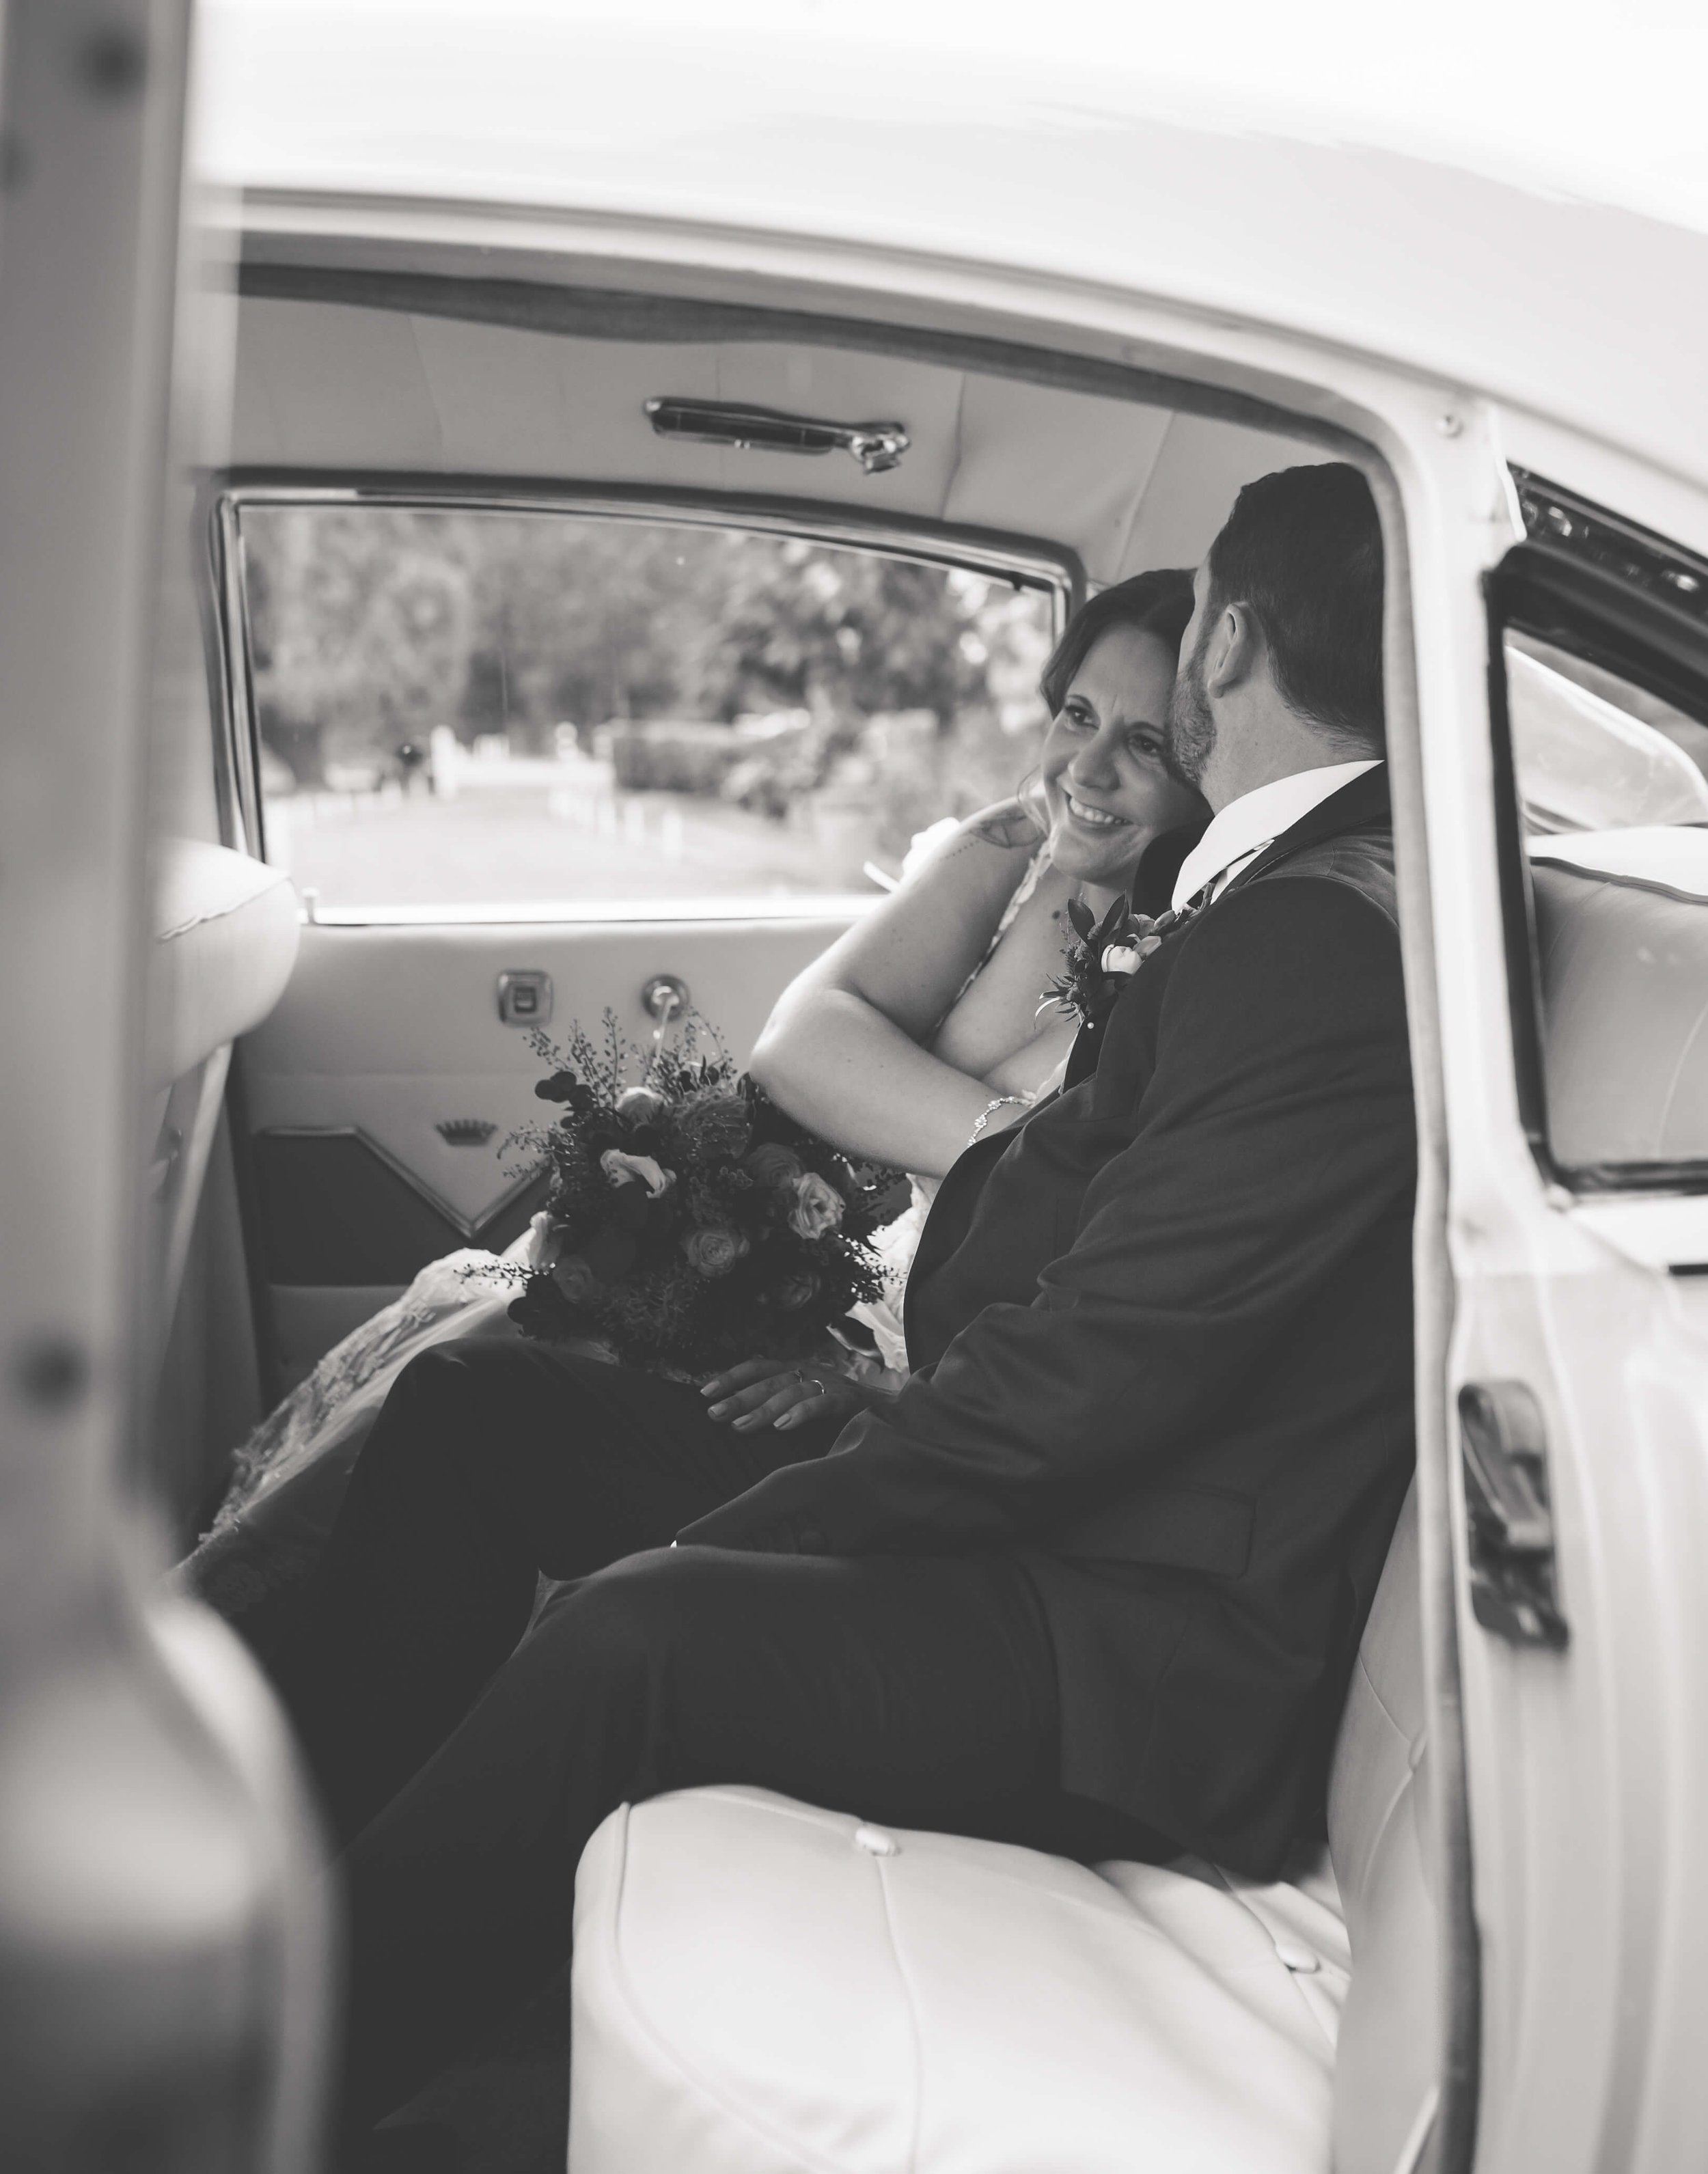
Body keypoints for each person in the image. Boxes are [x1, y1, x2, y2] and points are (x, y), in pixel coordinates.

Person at [277, 462, 1416, 2162]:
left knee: (629, 1637)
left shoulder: (1319, 936)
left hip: (1120, 1638)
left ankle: (249, 2085)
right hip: (1027, 1497)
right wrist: (868, 1407)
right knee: (479, 1414)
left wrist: (760, 1528)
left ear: (1228, 642)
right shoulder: (1265, 899)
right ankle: (286, 1875)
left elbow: (1100, 1373)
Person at [184, 570, 1204, 1617]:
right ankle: (233, 1601)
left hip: (915, 1352)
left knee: (506, 1373)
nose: (1086, 766)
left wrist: (902, 1135)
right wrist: (1006, 1146)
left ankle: (235, 1623)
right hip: (828, 1260)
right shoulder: (1019, 846)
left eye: (1145, 743)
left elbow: (1071, 1233)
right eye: (1078, 713)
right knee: (517, 1302)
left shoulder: (1205, 965)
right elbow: (801, 1046)